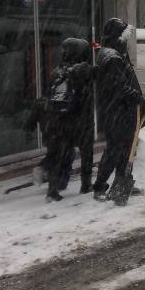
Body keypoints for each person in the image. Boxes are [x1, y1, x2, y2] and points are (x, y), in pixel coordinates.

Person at [93, 18, 145, 205]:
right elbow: (118, 87)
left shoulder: (111, 54)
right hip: (118, 112)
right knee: (115, 151)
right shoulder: (112, 58)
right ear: (117, 37)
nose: (126, 40)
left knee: (126, 151)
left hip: (121, 111)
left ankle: (122, 183)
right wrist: (137, 97)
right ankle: (100, 186)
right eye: (124, 36)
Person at [42, 38, 95, 202]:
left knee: (59, 155)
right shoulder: (84, 69)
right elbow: (97, 75)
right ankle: (86, 184)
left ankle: (52, 189)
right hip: (80, 120)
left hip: (59, 119)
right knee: (86, 152)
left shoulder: (57, 71)